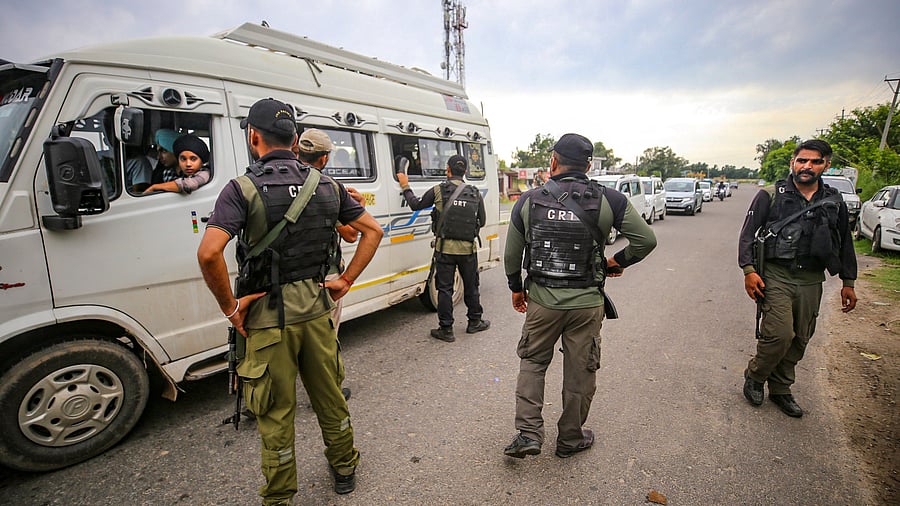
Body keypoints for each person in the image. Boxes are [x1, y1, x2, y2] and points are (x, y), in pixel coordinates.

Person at [197, 98, 383, 504]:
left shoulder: (241, 189)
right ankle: (345, 467)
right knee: (330, 397)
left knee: (275, 412)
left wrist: (231, 307)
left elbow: (209, 253)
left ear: (253, 136)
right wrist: (346, 279)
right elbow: (372, 231)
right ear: (295, 140)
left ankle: (280, 496)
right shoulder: (328, 186)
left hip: (265, 317)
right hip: (317, 309)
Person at [502, 133, 656, 459]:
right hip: (587, 303)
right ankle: (570, 438)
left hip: (542, 302)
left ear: (553, 161)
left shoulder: (528, 200)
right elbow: (645, 241)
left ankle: (529, 434)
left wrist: (517, 288)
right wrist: (616, 262)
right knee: (580, 371)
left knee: (532, 362)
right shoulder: (609, 200)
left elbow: (512, 256)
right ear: (588, 165)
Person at [738, 139, 857, 418]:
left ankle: (781, 389)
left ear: (825, 164)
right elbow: (747, 235)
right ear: (793, 162)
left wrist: (848, 282)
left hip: (812, 278)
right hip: (776, 275)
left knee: (801, 338)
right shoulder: (771, 195)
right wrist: (749, 270)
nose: (807, 166)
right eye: (802, 160)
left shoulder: (833, 201)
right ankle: (755, 376)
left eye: (815, 161)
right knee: (779, 335)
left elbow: (845, 243)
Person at [293, 127, 367, 401]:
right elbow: (350, 234)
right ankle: (327, 394)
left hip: (284, 278)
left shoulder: (273, 182)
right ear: (323, 159)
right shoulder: (327, 188)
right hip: (325, 276)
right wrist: (359, 206)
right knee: (324, 339)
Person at [397, 154, 490, 342]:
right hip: (468, 251)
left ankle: (446, 329)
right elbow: (482, 220)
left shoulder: (438, 190)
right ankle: (475, 322)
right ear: (464, 172)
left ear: (448, 169)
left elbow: (415, 204)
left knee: (445, 289)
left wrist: (405, 185)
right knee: (472, 286)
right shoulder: (474, 192)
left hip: (445, 249)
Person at [144, 134, 211, 194]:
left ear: (202, 161)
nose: (188, 164)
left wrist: (155, 187)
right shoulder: (168, 172)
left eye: (193, 159)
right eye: (183, 159)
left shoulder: (205, 172)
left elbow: (189, 184)